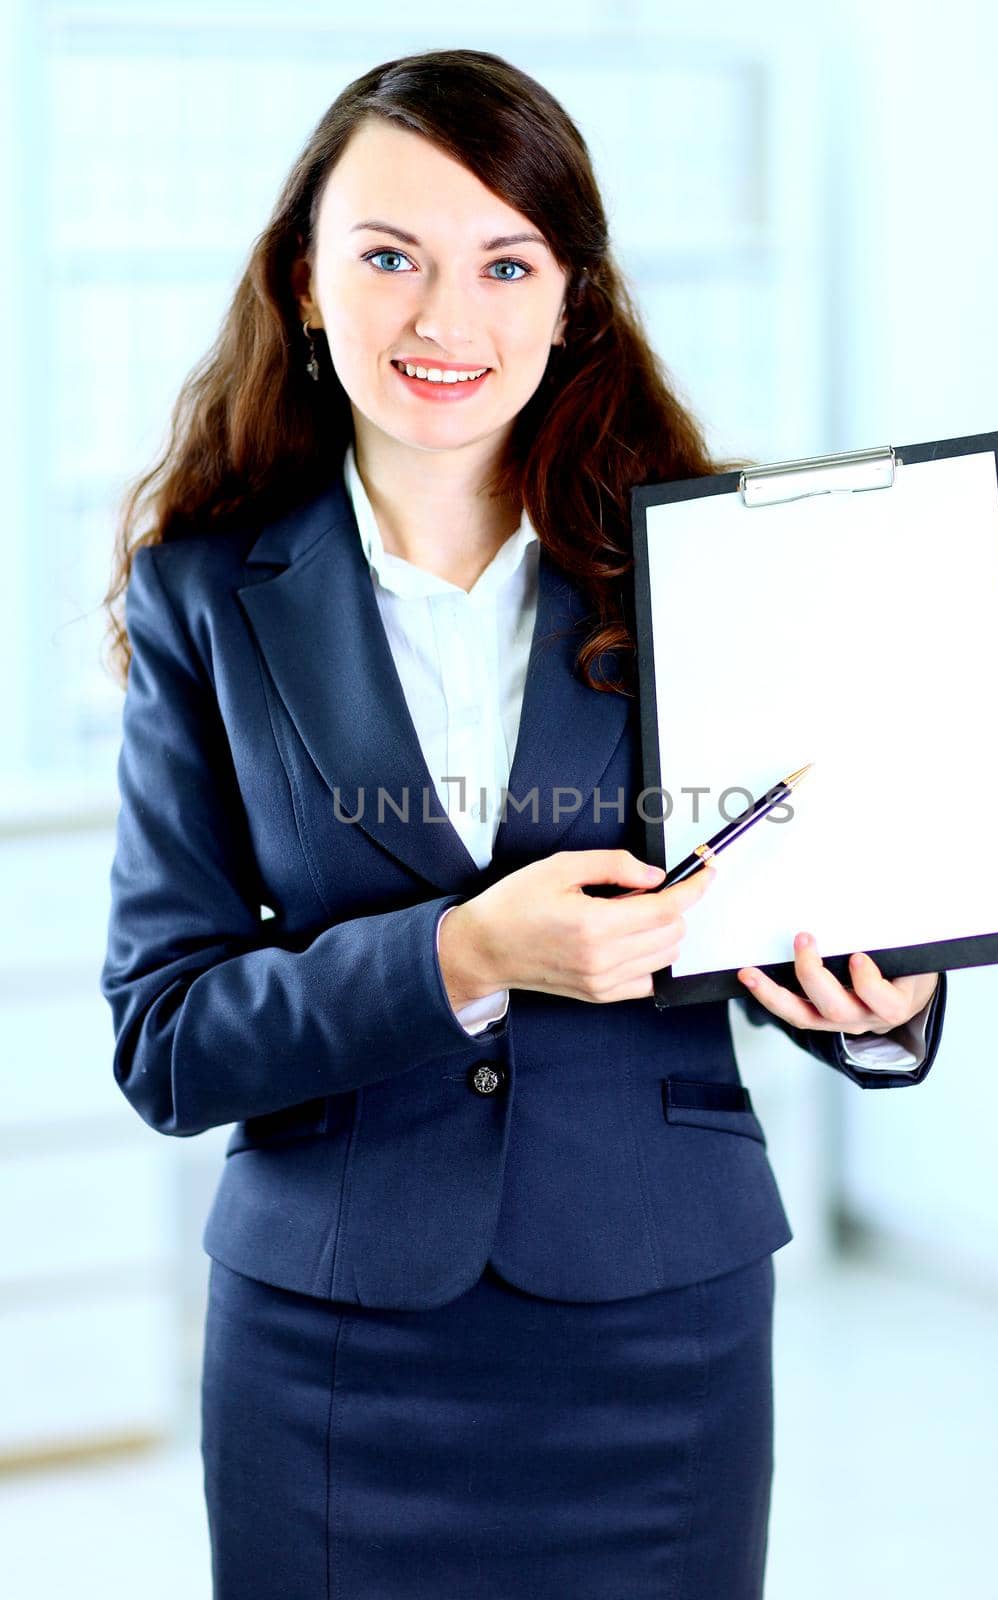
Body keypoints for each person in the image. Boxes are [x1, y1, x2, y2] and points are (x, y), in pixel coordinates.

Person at [99, 47, 946, 1599]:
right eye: (389, 258)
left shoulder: (710, 560)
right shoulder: (208, 595)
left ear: (571, 298)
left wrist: (888, 1008)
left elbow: (823, 887)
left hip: (657, 1331)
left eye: (506, 261)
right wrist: (463, 952)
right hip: (331, 1351)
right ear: (303, 281)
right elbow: (167, 1039)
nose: (445, 317)